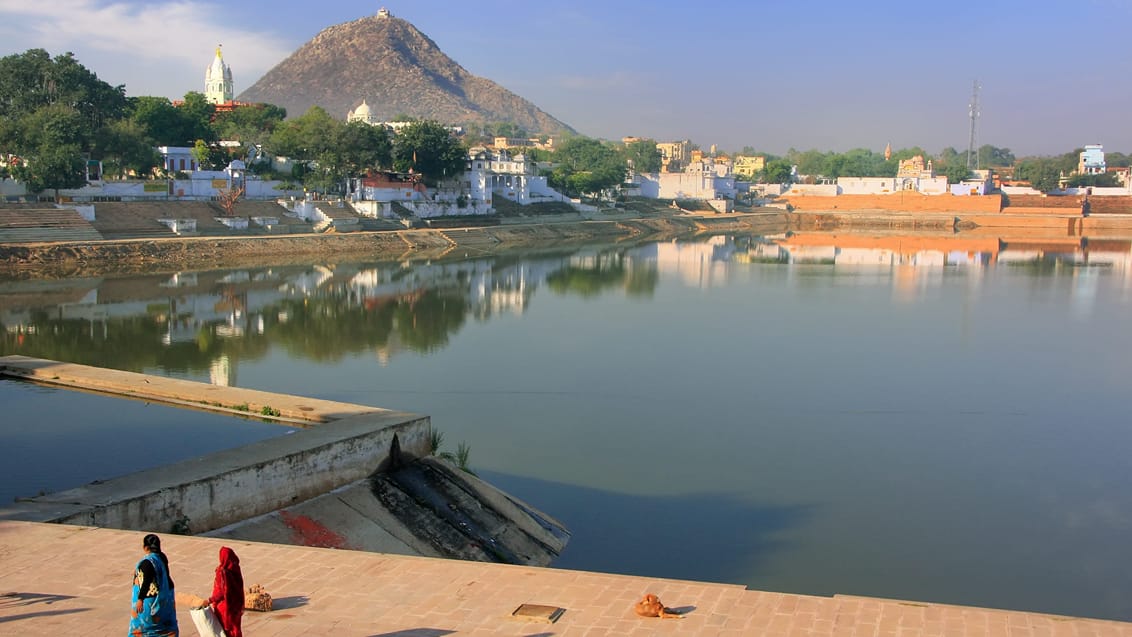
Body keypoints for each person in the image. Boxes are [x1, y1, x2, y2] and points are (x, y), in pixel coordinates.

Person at [130, 533, 179, 636]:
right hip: (165, 598)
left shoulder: (147, 562)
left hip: (150, 600)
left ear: (145, 547)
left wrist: (140, 599)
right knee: (165, 626)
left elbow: (146, 582)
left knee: (145, 628)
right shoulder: (162, 557)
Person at [204, 546, 244, 637]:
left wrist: (210, 600)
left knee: (226, 631)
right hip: (235, 607)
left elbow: (222, 592)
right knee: (235, 629)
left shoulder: (222, 572)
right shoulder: (235, 568)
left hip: (225, 608)